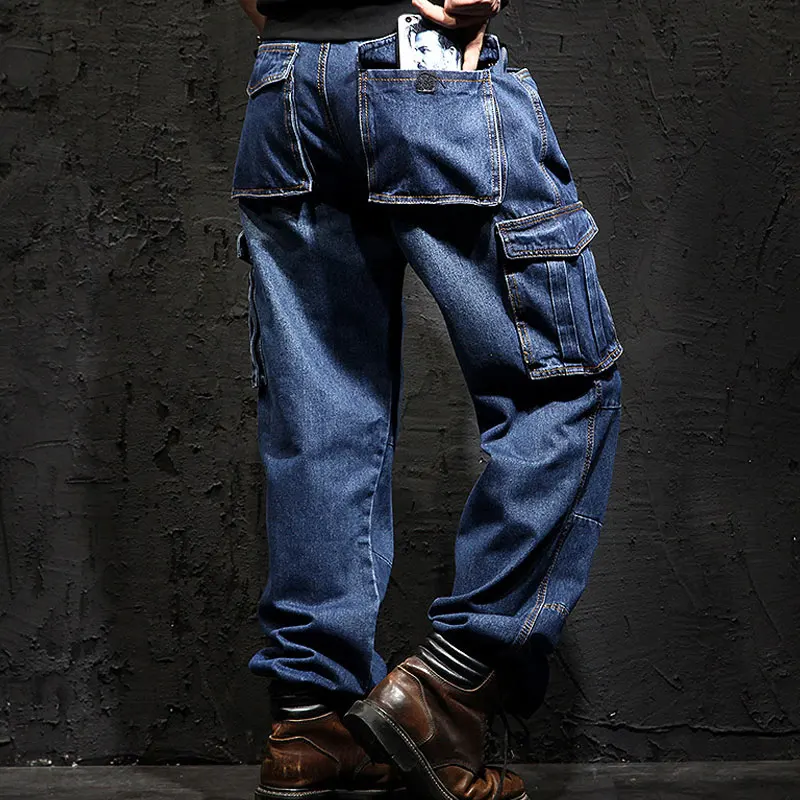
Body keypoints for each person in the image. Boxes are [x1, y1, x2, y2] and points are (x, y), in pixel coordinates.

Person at [233, 1, 624, 799]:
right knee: (564, 382)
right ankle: (452, 684)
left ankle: (312, 721)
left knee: (320, 412)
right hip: (426, 72)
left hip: (286, 80)